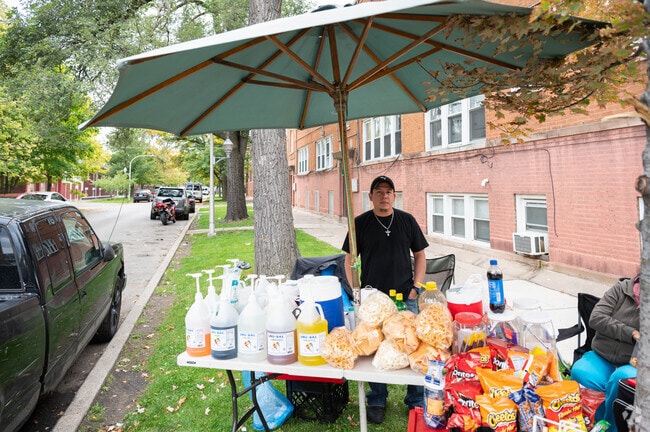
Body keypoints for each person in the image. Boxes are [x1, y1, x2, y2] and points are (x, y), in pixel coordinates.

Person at [342, 175, 429, 424]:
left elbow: (421, 255)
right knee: (374, 348)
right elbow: (349, 259)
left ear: (394, 195)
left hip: (405, 296)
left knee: (413, 347)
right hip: (373, 300)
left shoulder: (407, 221)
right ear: (370, 197)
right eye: (378, 191)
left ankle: (415, 401)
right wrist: (355, 291)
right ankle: (377, 399)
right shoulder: (359, 223)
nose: (384, 195)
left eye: (388, 191)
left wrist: (416, 287)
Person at [570, 275, 640, 432]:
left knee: (621, 380)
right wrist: (631, 333)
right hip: (603, 354)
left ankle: (609, 428)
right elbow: (596, 318)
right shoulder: (622, 289)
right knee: (581, 372)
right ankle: (588, 423)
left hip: (635, 364)